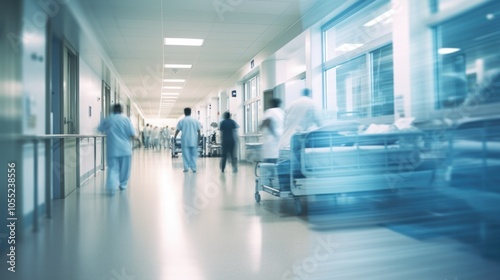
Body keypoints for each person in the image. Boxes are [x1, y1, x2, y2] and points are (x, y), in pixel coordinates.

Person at [98, 104, 137, 194]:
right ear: (121, 110)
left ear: (112, 110)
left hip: (112, 149)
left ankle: (112, 186)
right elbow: (132, 134)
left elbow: (100, 129)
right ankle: (123, 185)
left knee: (113, 168)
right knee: (125, 169)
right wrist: (138, 140)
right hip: (125, 149)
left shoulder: (108, 119)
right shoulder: (126, 119)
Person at [174, 108, 201, 172]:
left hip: (185, 140)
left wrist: (174, 137)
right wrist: (199, 139)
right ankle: (194, 168)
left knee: (185, 155)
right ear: (190, 112)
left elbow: (177, 130)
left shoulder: (182, 121)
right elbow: (199, 131)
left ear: (184, 112)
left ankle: (186, 168)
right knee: (194, 155)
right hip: (194, 140)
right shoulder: (195, 121)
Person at [260, 98, 284, 163]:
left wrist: (274, 133)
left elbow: (266, 123)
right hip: (280, 138)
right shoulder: (281, 112)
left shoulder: (270, 111)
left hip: (271, 139)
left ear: (271, 104)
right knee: (277, 159)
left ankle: (269, 172)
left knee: (269, 160)